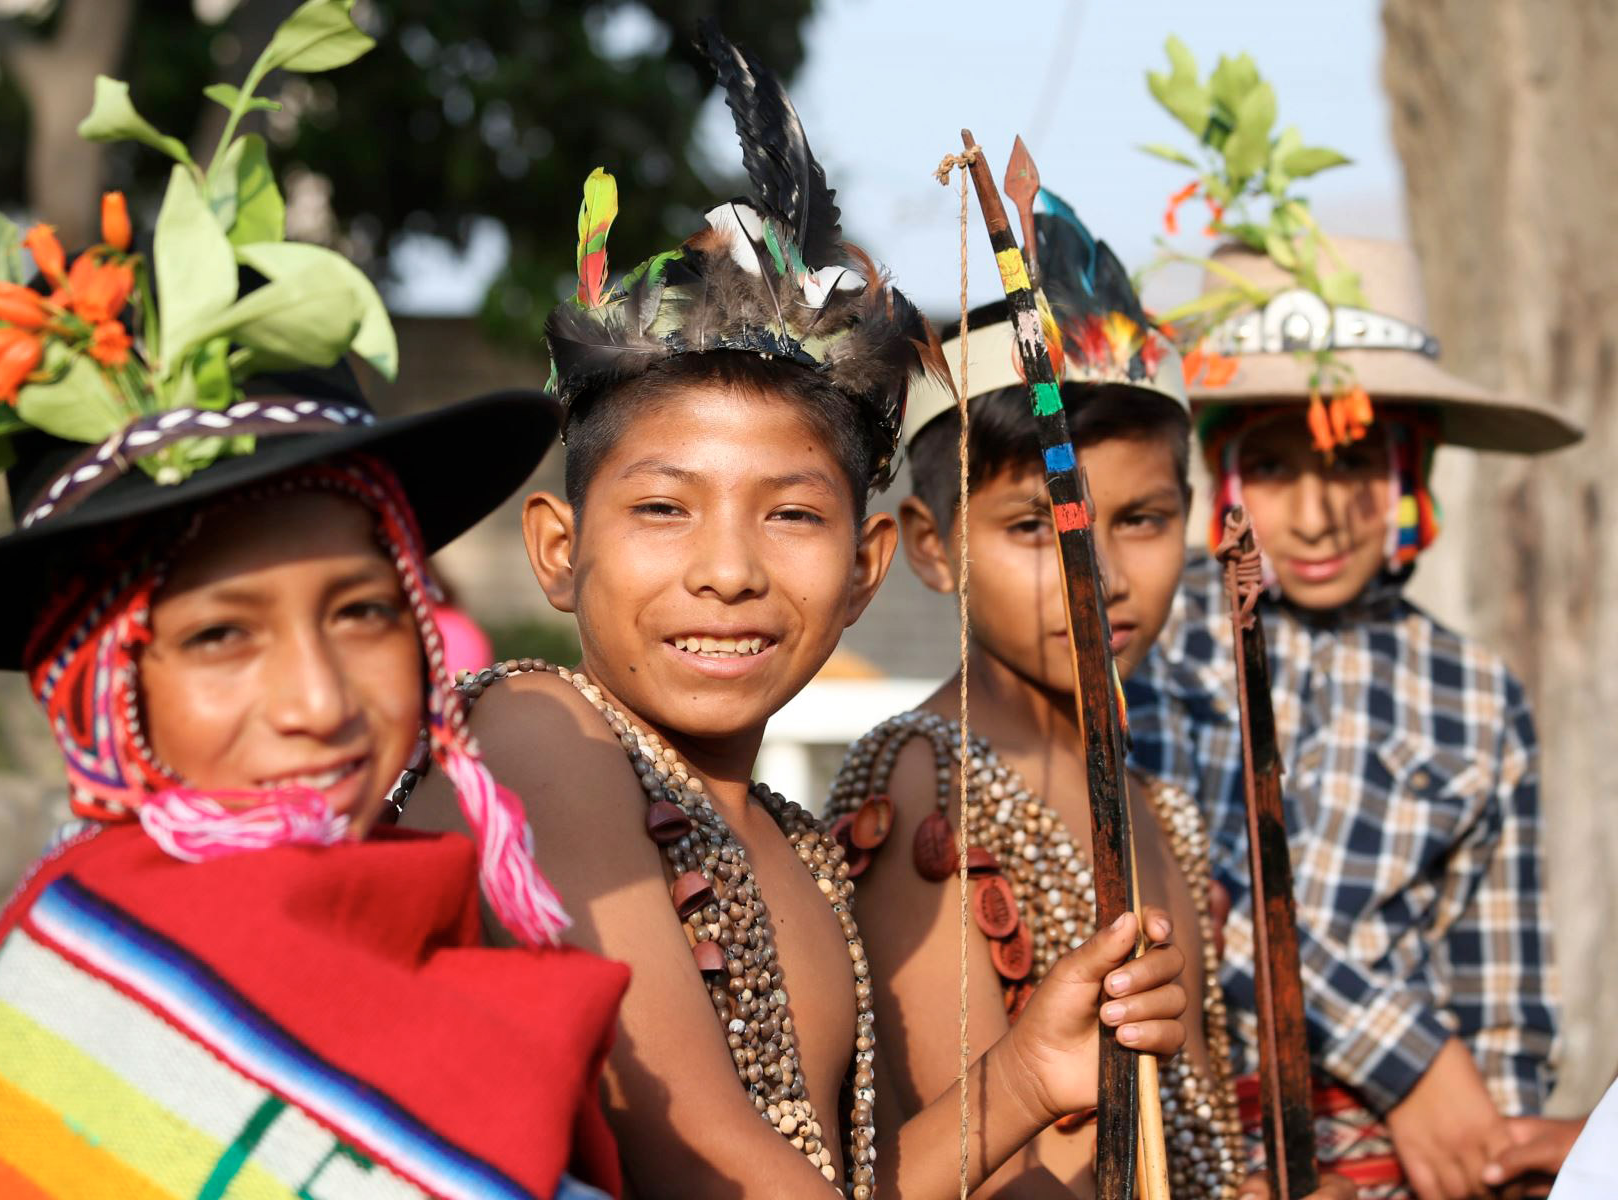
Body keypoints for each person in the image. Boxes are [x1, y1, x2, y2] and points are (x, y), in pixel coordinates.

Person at [0, 15, 628, 1197]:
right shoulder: (91, 1005)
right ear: (104, 694)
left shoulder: (436, 918)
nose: (318, 702)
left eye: (362, 614)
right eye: (217, 635)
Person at [410, 27, 1191, 1199]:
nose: (728, 571)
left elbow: (839, 1182)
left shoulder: (795, 848)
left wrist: (1025, 1081)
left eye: (791, 516)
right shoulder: (537, 739)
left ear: (869, 569)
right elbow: (707, 1157)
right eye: (666, 509)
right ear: (559, 553)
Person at [826, 194, 1295, 1200]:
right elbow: (969, 1159)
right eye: (1036, 528)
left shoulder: (1155, 804)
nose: (1101, 572)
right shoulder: (921, 782)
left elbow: (1198, 1125)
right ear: (931, 546)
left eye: (1143, 519)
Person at [1125, 232, 1579, 1200]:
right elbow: (1177, 897)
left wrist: (1481, 1145)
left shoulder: (1474, 695)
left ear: (1412, 466)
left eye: (1356, 461)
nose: (1320, 514)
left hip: (1401, 1175)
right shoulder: (1163, 645)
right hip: (1192, 1151)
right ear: (1224, 471)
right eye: (1278, 467)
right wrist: (1406, 1059)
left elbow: (1500, 1004)